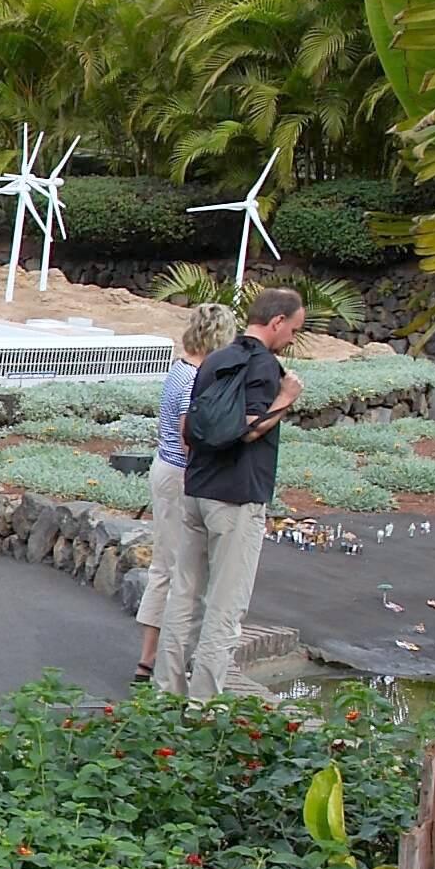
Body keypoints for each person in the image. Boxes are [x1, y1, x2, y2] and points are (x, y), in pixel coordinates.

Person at [161, 286, 309, 699]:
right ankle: (204, 703)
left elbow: (190, 422)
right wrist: (286, 397)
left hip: (197, 487)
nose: (293, 339)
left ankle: (164, 691)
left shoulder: (217, 358)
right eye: (293, 329)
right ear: (277, 321)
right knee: (225, 607)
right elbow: (250, 428)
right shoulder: (265, 367)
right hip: (236, 496)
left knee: (184, 595)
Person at [136, 302, 242, 688]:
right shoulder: (196, 378)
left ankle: (148, 658)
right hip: (182, 474)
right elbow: (188, 432)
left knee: (163, 567)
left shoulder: (179, 369)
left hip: (164, 467)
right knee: (180, 572)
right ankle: (160, 661)